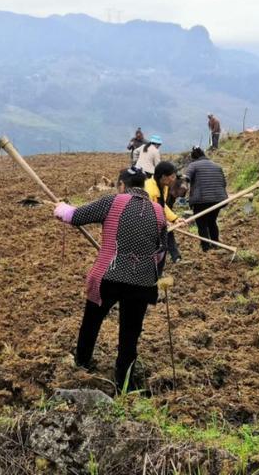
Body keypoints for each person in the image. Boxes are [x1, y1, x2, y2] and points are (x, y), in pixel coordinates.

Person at [53, 167, 168, 391]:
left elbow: (75, 216)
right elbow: (161, 252)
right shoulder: (158, 211)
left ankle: (82, 365)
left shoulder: (113, 202)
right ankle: (125, 383)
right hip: (143, 281)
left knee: (91, 323)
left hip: (109, 275)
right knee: (130, 333)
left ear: (122, 185)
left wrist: (60, 208)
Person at [184, 147, 228, 251]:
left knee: (201, 223)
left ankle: (206, 248)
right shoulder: (217, 166)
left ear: (193, 157)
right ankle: (215, 244)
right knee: (212, 221)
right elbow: (224, 183)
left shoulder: (193, 165)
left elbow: (186, 178)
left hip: (201, 200)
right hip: (218, 199)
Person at [145, 161, 179, 272]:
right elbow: (147, 210)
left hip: (159, 225)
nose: (174, 179)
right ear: (164, 176)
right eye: (172, 177)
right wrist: (162, 221)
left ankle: (157, 274)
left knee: (162, 248)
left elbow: (162, 206)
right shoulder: (149, 189)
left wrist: (175, 218)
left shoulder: (164, 186)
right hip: (147, 226)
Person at [165, 177, 187, 263]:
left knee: (169, 234)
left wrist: (174, 219)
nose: (177, 196)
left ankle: (176, 257)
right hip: (153, 214)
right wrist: (165, 220)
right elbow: (158, 206)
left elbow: (168, 208)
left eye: (179, 195)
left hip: (165, 215)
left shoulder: (172, 196)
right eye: (177, 193)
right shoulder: (162, 189)